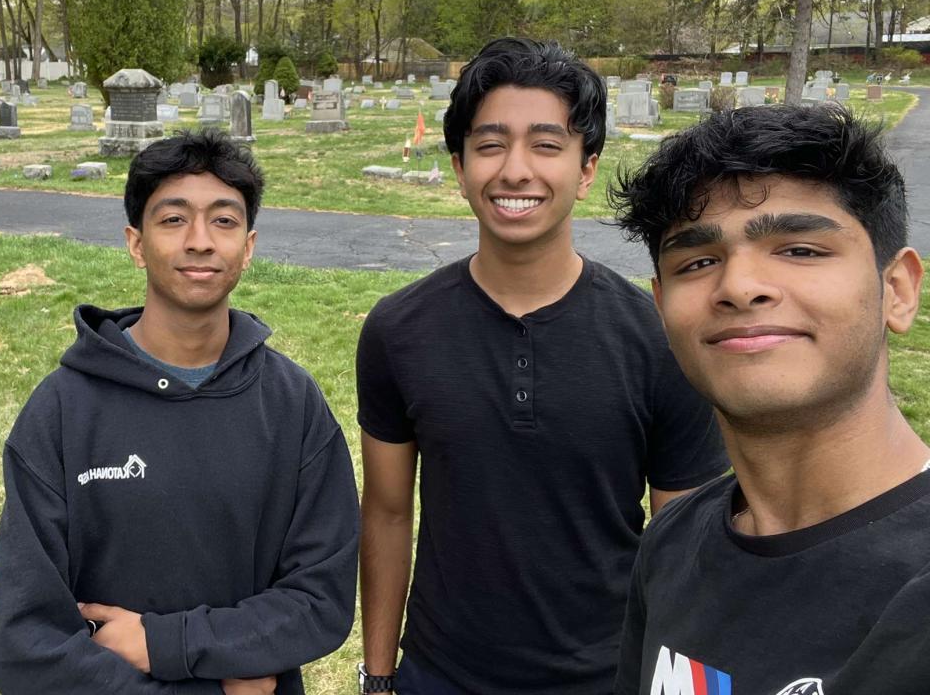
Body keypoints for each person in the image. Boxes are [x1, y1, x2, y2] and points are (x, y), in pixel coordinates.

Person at [356, 37, 727, 695]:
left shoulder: (660, 339)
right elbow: (387, 513)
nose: (515, 170)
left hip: (609, 675)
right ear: (460, 166)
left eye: (547, 145)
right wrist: (379, 676)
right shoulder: (397, 330)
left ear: (586, 169)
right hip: (440, 675)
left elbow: (686, 549)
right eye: (490, 144)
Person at [0, 128, 359, 695]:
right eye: (174, 219)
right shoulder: (62, 410)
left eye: (223, 220)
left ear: (248, 247)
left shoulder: (292, 403)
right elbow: (22, 644)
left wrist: (168, 642)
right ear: (136, 243)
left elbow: (320, 601)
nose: (200, 241)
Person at [611, 104, 929, 695]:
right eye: (698, 262)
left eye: (800, 250)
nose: (738, 287)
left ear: (897, 290)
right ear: (662, 309)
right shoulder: (671, 542)